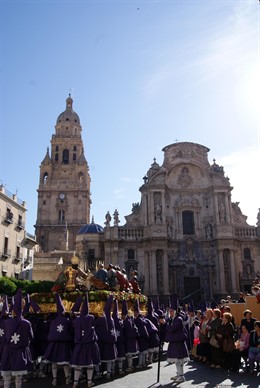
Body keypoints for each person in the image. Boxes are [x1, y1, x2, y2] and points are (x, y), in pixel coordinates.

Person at [0, 289, 34, 388]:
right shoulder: (27, 323)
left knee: (7, 377)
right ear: (22, 308)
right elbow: (31, 337)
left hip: (7, 351)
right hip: (20, 352)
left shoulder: (6, 322)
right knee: (18, 377)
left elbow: (5, 336)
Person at [70, 293, 100, 388]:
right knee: (89, 365)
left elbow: (73, 322)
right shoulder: (91, 318)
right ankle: (89, 382)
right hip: (89, 344)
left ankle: (75, 383)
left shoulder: (77, 320)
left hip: (79, 344)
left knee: (78, 365)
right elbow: (94, 323)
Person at [44, 293, 73, 386]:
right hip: (64, 344)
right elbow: (70, 330)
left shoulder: (53, 320)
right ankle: (67, 379)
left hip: (54, 344)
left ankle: (54, 379)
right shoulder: (67, 320)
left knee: (54, 363)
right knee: (65, 363)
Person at [165, 294, 189, 383]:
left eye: (172, 311)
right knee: (176, 359)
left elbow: (173, 328)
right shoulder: (173, 319)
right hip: (174, 340)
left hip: (178, 341)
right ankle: (178, 374)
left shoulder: (178, 319)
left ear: (175, 311)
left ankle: (182, 376)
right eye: (170, 311)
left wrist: (165, 325)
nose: (170, 312)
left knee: (179, 359)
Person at [94, 295, 117, 379]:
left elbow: (94, 326)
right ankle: (109, 373)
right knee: (109, 359)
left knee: (98, 359)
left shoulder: (100, 319)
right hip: (110, 341)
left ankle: (98, 373)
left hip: (102, 342)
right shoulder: (112, 319)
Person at [121, 300, 139, 373]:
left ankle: (130, 366)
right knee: (130, 355)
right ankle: (130, 366)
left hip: (129, 339)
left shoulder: (126, 321)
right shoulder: (130, 319)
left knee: (129, 355)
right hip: (132, 339)